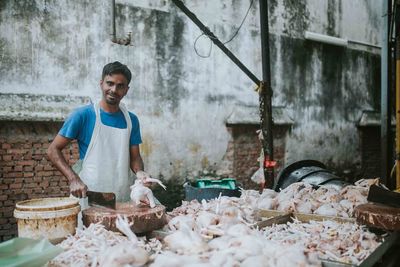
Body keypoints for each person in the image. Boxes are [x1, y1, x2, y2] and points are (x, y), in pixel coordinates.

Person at [47, 61, 144, 202]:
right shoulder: (83, 115)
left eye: (120, 86)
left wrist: (140, 172)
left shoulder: (132, 120)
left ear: (126, 90)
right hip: (88, 195)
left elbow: (135, 158)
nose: (114, 90)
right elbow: (52, 150)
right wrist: (73, 179)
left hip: (121, 197)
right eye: (109, 83)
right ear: (101, 84)